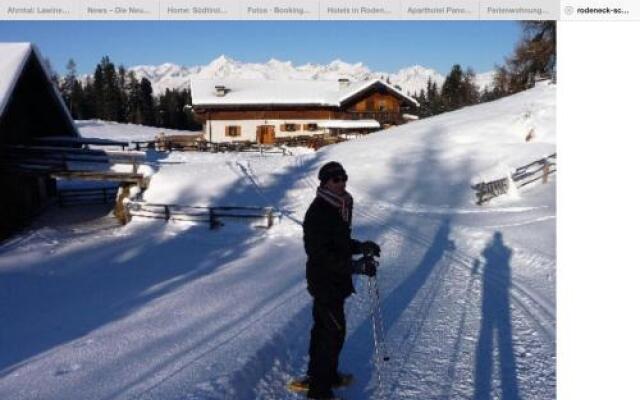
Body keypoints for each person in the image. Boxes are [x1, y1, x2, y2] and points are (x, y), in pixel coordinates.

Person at [301, 161, 381, 400]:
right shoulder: (319, 212)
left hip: (335, 282)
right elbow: (320, 254)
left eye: (343, 177)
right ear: (325, 182)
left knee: (326, 331)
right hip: (325, 281)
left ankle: (325, 375)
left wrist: (360, 247)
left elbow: (340, 243)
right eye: (335, 179)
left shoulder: (340, 207)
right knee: (331, 333)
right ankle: (319, 391)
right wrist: (354, 266)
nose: (341, 182)